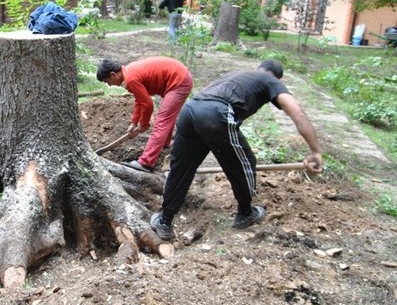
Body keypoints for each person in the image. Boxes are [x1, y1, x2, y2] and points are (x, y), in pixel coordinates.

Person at [150, 59, 323, 240]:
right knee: (245, 163)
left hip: (190, 109)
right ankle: (245, 213)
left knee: (182, 168)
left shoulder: (239, 75)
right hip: (215, 114)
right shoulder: (271, 80)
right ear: (279, 78)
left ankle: (164, 220)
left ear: (258, 68)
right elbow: (297, 111)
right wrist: (316, 151)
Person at [96, 57, 193, 172]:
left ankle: (146, 162)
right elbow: (139, 100)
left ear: (113, 75)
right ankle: (165, 143)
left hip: (179, 81)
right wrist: (134, 122)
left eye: (107, 82)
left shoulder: (131, 78)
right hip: (179, 77)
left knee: (162, 121)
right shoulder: (129, 73)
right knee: (166, 117)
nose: (109, 85)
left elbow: (148, 105)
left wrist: (144, 124)